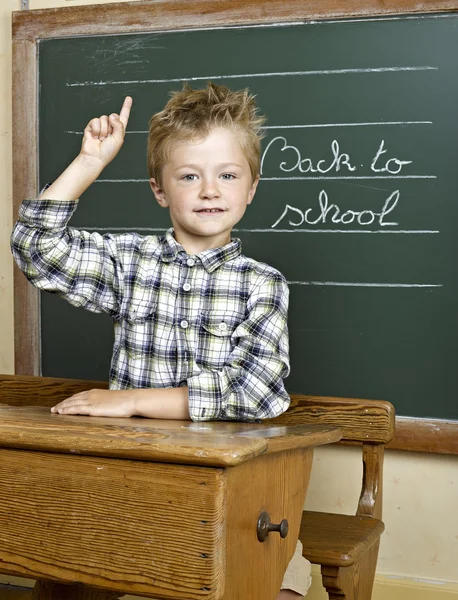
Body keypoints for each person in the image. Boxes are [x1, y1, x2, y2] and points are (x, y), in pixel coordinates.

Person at [11, 82, 312, 598]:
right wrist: (89, 162)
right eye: (189, 176)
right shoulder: (129, 263)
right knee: (63, 569)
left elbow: (259, 393)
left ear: (251, 187)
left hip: (229, 490)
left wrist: (129, 402)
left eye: (228, 175)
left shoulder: (262, 284)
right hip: (130, 478)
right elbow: (37, 249)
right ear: (159, 189)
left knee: (274, 583)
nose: (210, 190)